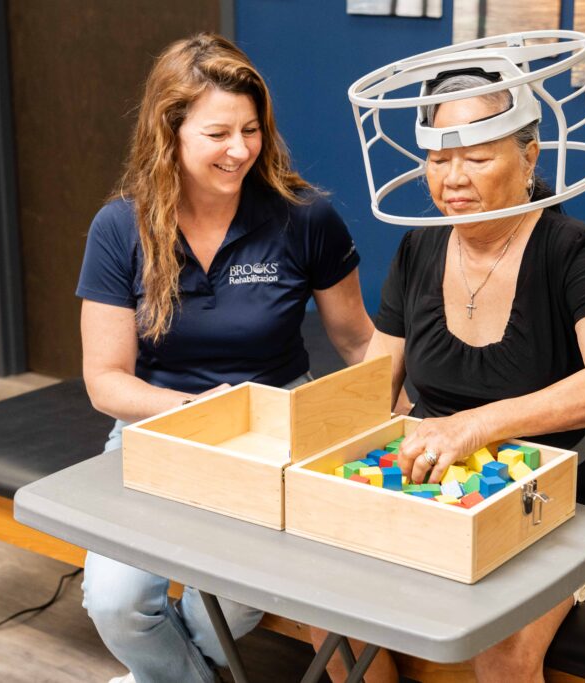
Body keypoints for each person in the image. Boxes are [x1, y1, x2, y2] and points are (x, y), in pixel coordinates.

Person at [75, 33, 374, 683]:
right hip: (159, 428)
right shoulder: (120, 229)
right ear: (169, 132)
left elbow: (358, 342)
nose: (240, 149)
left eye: (251, 129)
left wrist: (414, 416)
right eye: (218, 133)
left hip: (280, 435)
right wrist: (204, 410)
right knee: (117, 601)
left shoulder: (306, 218)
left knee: (232, 607)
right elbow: (106, 381)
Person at [351, 72, 585, 682]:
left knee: (503, 654)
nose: (451, 179)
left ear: (529, 155)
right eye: (436, 158)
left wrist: (472, 427)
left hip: (548, 503)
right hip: (431, 488)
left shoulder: (576, 248)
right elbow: (370, 386)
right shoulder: (416, 250)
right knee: (335, 617)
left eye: (477, 158)